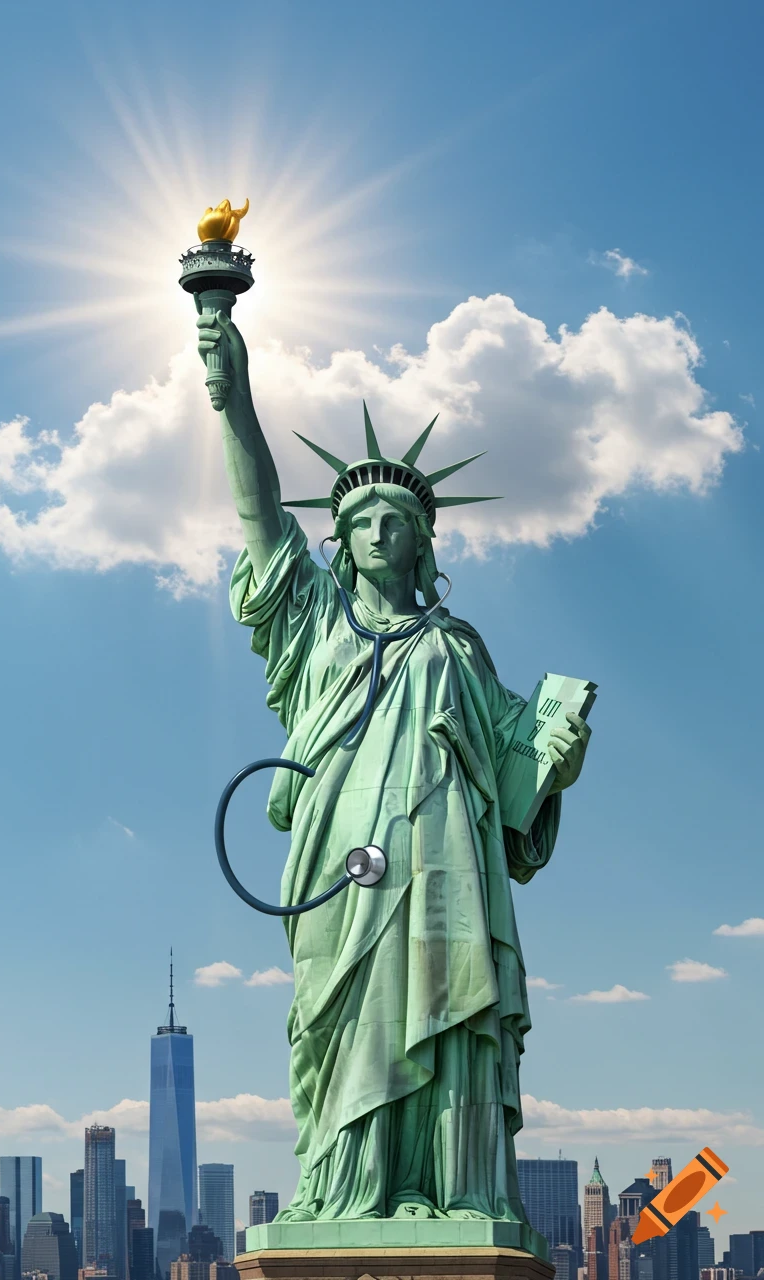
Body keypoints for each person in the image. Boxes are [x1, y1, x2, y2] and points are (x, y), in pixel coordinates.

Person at [197, 309, 591, 1223]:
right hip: (343, 862)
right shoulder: (314, 629)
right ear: (338, 541)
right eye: (360, 520)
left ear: (424, 539)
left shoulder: (458, 649)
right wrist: (232, 394)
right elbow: (259, 514)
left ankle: (453, 1190)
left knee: (451, 1017)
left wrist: (557, 754)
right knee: (342, 1024)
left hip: (446, 859)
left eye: (397, 519)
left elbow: (514, 783)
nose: (377, 533)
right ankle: (349, 1191)